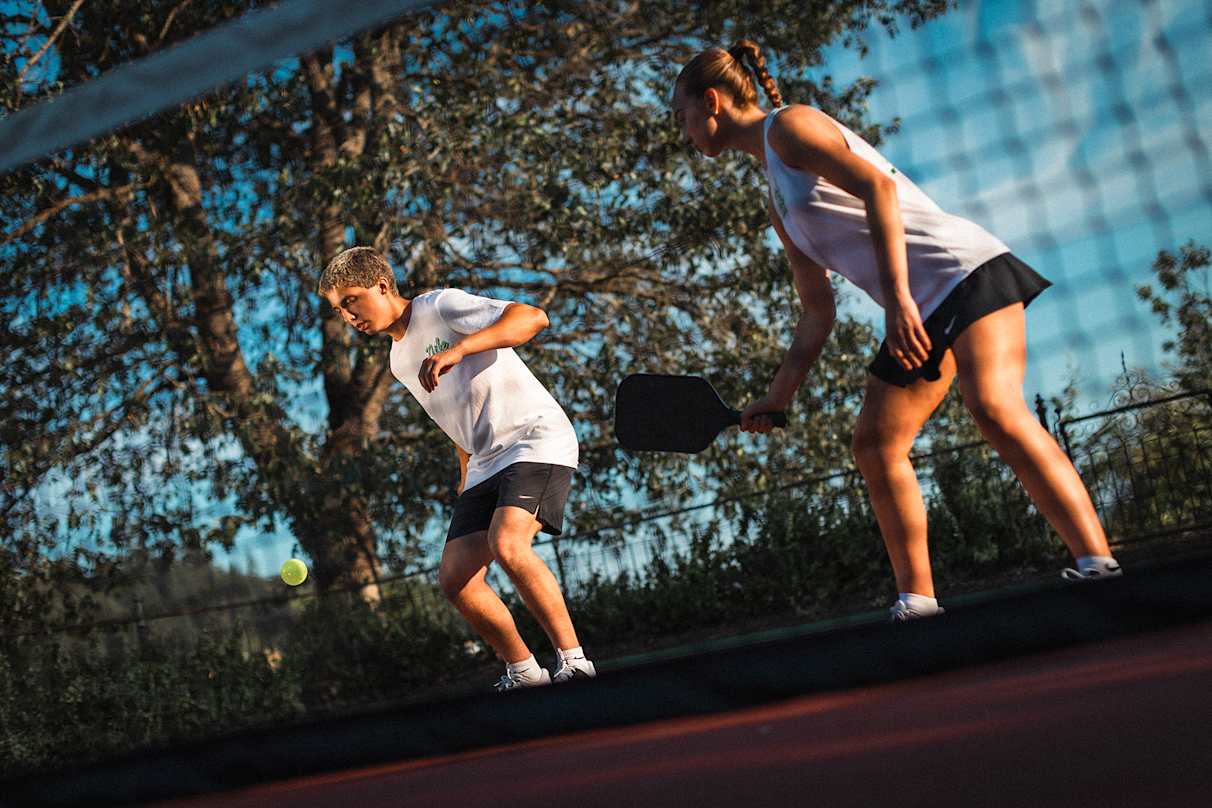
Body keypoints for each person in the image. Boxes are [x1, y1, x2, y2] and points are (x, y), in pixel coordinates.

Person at [671, 41, 1122, 621]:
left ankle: (1098, 566)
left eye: (681, 115)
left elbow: (878, 188)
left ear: (711, 102)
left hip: (963, 272)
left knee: (992, 407)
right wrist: (779, 395)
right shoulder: (777, 201)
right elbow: (817, 310)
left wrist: (899, 299)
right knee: (876, 446)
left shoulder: (791, 127)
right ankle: (918, 603)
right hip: (915, 309)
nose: (682, 132)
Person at [318, 246, 596, 685]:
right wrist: (467, 482)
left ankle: (575, 662)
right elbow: (456, 422)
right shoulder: (397, 361)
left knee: (508, 545)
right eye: (338, 309)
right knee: (456, 579)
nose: (347, 315)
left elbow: (533, 316)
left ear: (382, 286)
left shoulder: (439, 305)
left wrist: (461, 349)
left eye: (351, 300)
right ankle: (524, 670)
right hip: (485, 461)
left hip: (534, 439)